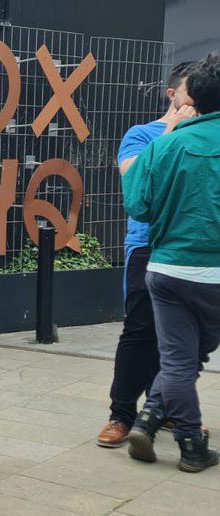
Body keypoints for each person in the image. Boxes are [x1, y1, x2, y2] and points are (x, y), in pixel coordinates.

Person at [123, 52, 220, 473]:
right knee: (194, 356)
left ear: (191, 96)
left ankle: (158, 421)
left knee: (180, 358)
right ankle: (187, 441)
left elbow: (139, 207)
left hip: (165, 269)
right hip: (214, 272)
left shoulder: (164, 144)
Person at [97, 61, 197, 447]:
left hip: (190, 246)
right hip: (147, 244)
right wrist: (173, 130)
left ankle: (168, 409)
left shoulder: (207, 135)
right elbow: (134, 179)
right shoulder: (141, 134)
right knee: (140, 330)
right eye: (192, 90)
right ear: (172, 94)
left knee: (183, 337)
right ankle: (121, 413)